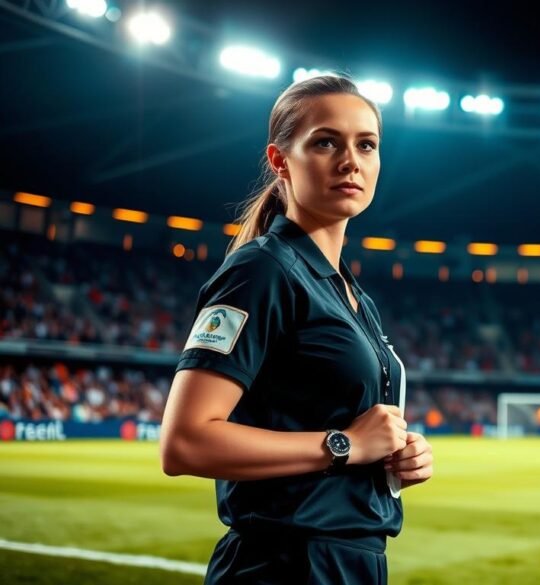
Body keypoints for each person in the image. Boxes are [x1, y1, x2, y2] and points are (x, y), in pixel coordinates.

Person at [159, 73, 433, 584]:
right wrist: (344, 445)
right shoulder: (261, 270)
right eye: (326, 142)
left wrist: (395, 458)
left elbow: (343, 428)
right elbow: (184, 443)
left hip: (354, 561)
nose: (351, 160)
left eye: (366, 144)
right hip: (284, 565)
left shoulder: (354, 296)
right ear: (280, 159)